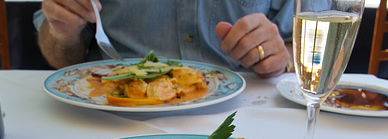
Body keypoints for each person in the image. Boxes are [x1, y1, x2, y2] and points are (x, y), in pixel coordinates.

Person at [34, 0, 294, 78]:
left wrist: (282, 58)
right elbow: (62, 58)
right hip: (108, 113)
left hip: (242, 110)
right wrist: (62, 33)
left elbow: (311, 46)